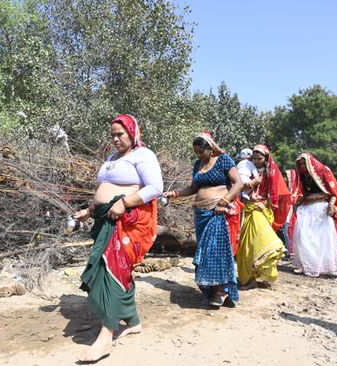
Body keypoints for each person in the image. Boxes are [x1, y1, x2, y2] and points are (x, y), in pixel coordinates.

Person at [73, 114, 163, 362]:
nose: (115, 139)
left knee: (114, 270)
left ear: (132, 133)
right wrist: (90, 211)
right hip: (107, 219)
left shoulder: (143, 155)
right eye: (112, 134)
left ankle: (105, 338)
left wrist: (124, 203)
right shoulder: (112, 158)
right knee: (115, 270)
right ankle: (132, 321)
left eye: (120, 134)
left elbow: (156, 187)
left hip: (127, 222)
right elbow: (104, 190)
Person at [163, 131, 243, 307]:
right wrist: (174, 194)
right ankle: (215, 290)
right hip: (201, 214)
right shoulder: (198, 164)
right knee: (205, 252)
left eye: (201, 151)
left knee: (215, 251)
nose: (199, 155)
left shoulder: (224, 160)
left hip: (217, 212)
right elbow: (193, 188)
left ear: (211, 148)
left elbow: (238, 183)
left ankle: (220, 291)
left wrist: (223, 202)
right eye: (196, 152)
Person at [236, 144, 290, 288]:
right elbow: (240, 186)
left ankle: (263, 275)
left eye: (259, 158)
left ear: (266, 158)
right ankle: (249, 279)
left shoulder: (271, 172)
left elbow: (276, 193)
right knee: (248, 244)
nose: (256, 161)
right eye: (254, 158)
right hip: (249, 207)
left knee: (265, 241)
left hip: (261, 210)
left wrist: (265, 203)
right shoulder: (248, 170)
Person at [292, 152, 337, 278]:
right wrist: (296, 204)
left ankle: (324, 266)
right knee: (303, 236)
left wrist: (331, 205)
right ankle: (306, 265)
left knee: (322, 238)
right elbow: (305, 194)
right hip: (306, 209)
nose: (302, 166)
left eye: (303, 163)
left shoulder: (323, 171)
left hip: (321, 208)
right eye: (300, 164)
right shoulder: (303, 176)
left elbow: (334, 192)